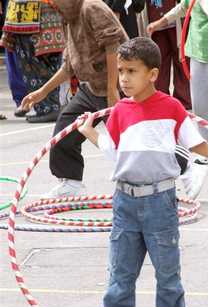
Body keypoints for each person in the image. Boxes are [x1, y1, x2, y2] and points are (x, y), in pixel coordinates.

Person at [77, 37, 208, 307]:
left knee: (168, 272)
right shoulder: (119, 113)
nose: (123, 78)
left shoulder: (171, 108)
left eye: (131, 71)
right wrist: (91, 134)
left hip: (160, 201)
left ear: (152, 74)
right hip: (125, 201)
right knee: (120, 273)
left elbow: (199, 146)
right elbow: (115, 154)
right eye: (121, 71)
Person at [21, 0, 128, 198]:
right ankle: (71, 182)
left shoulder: (91, 7)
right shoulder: (70, 18)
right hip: (90, 88)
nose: (53, 5)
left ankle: (183, 167)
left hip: (119, 86)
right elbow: (69, 66)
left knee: (131, 139)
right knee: (64, 131)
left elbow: (113, 47)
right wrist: (43, 92)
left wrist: (113, 89)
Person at [147, 0, 208, 168]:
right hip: (197, 55)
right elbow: (183, 7)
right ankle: (207, 147)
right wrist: (160, 22)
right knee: (200, 105)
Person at [1, 0, 65, 123]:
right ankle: (51, 106)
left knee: (32, 65)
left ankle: (47, 108)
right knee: (49, 64)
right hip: (50, 16)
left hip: (29, 16)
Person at [138, 0, 192, 110]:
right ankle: (160, 99)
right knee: (157, 63)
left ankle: (184, 100)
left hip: (177, 18)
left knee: (182, 60)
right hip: (154, 19)